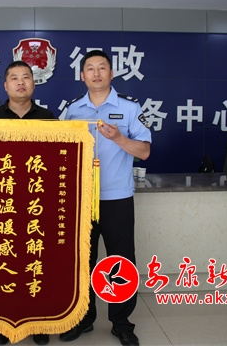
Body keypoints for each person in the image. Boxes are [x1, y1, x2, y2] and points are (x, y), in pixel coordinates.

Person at [61, 50, 151, 346]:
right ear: (82, 75)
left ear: (111, 74)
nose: (96, 73)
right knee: (81, 261)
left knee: (121, 260)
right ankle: (83, 319)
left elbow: (144, 151)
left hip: (117, 199)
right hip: (81, 200)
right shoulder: (72, 110)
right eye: (90, 68)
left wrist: (119, 139)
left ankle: (121, 323)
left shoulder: (129, 107)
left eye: (102, 68)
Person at [0, 60, 55, 345]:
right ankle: (1, 322)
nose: (21, 82)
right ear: (6, 85)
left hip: (38, 203)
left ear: (34, 84)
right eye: (14, 78)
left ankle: (38, 322)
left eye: (26, 77)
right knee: (3, 261)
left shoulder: (47, 117)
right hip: (3, 204)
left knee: (37, 262)